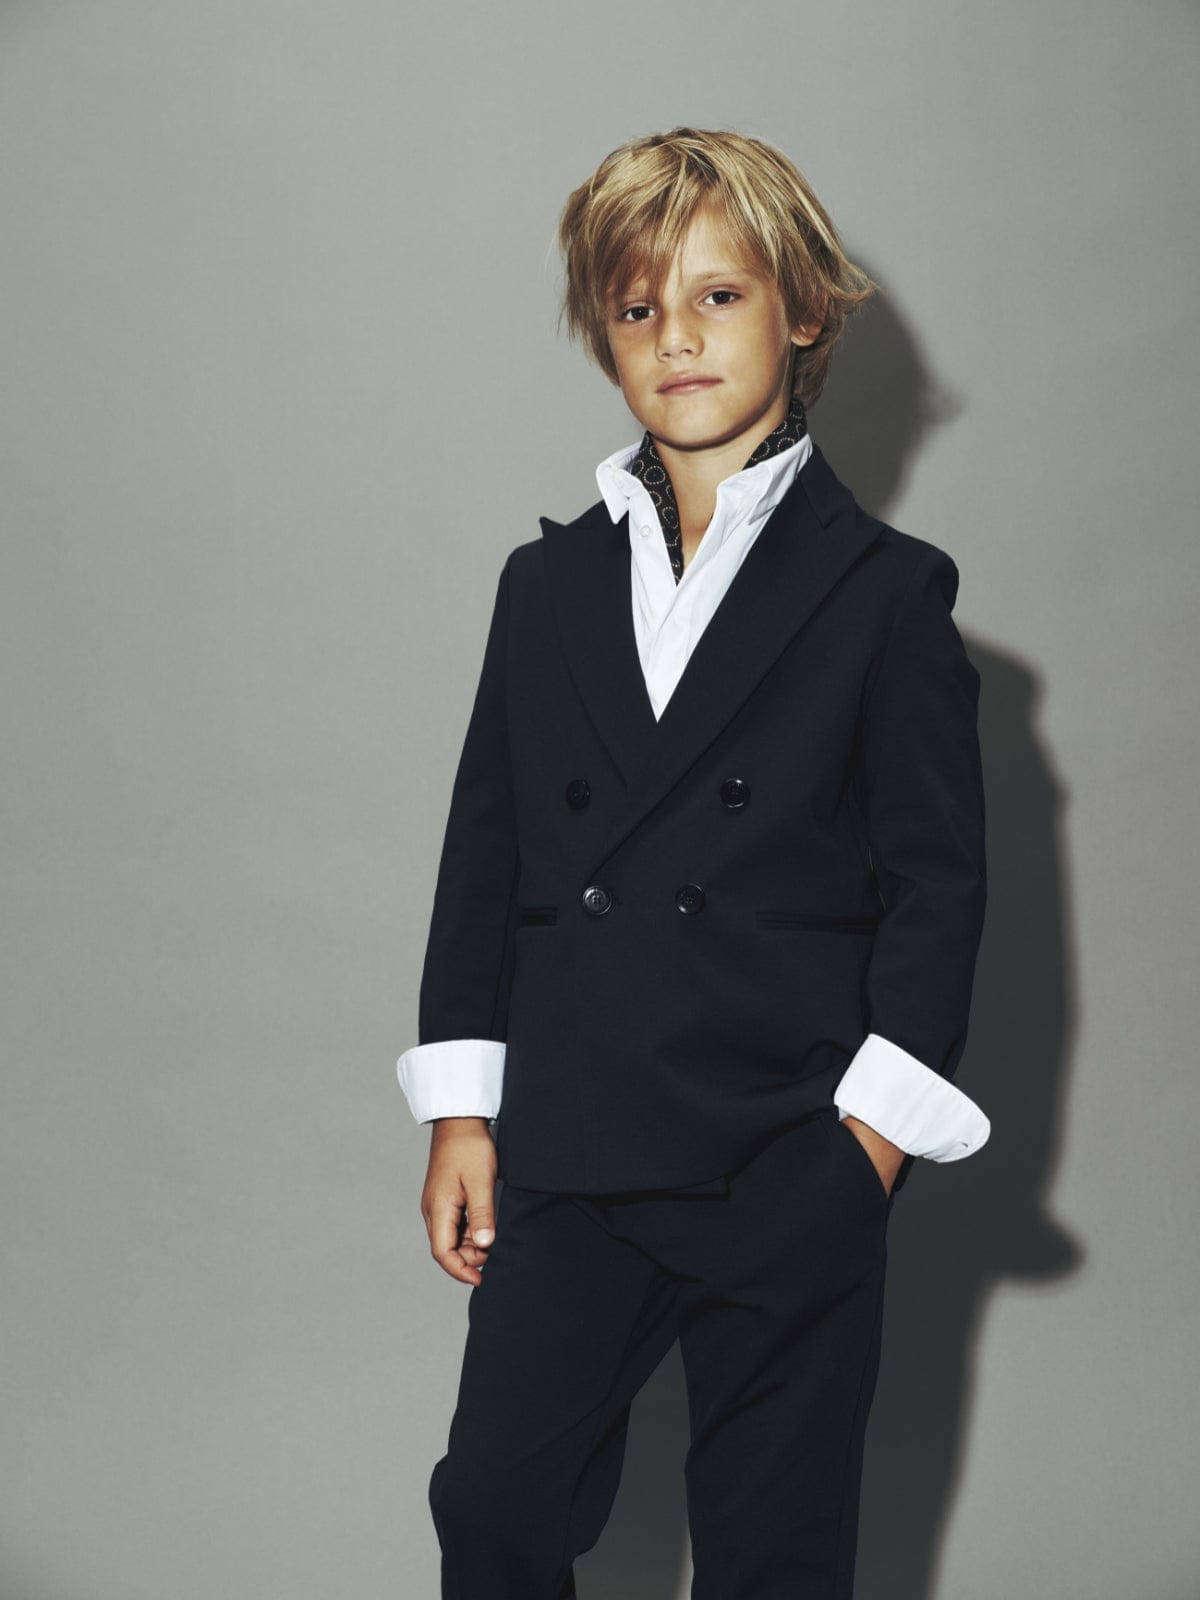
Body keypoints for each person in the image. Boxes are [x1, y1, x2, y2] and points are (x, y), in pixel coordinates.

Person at [396, 125, 991, 1599]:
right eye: (637, 306)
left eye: (719, 297)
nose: (676, 338)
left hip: (783, 1149)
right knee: (496, 1506)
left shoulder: (886, 595)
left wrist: (865, 1150)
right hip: (575, 1149)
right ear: (605, 335)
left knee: (773, 1554)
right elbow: (486, 855)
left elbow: (936, 887)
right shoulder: (545, 588)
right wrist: (462, 1110)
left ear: (805, 310)